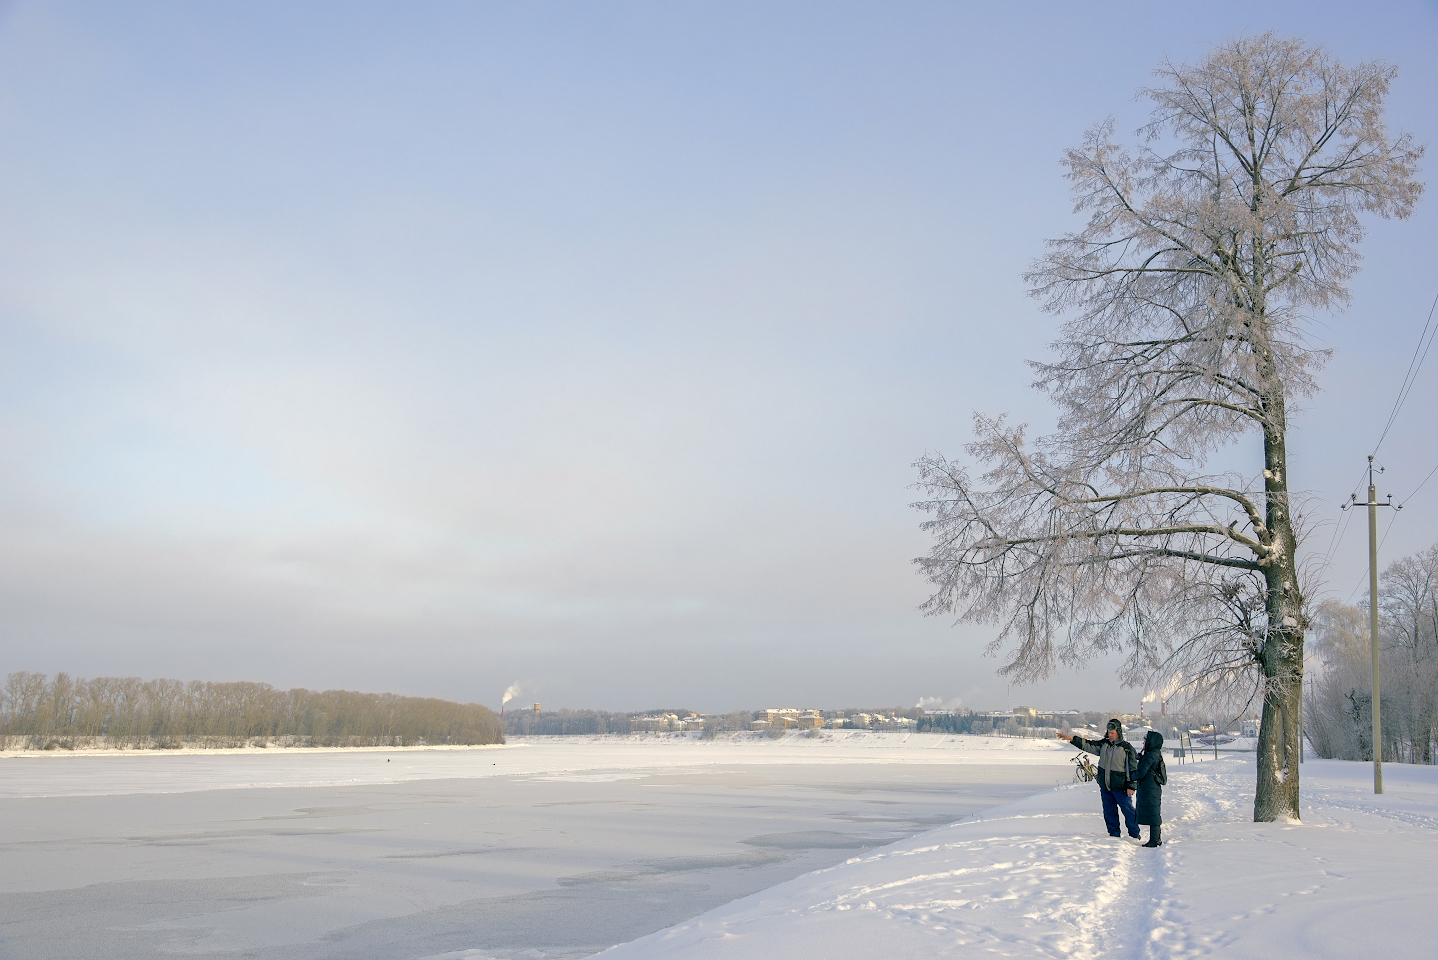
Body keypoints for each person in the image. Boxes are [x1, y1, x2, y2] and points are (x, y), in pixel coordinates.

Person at [1057, 719, 1139, 839]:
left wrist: (1131, 786)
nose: (1110, 735)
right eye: (1109, 732)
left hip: (1121, 788)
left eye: (1113, 733)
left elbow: (1133, 769)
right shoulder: (1103, 745)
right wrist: (1072, 739)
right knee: (1109, 813)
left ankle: (1134, 835)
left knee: (1129, 813)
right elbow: (1088, 745)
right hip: (1105, 787)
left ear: (1119, 732)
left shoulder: (1126, 748)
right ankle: (1114, 836)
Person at [1134, 730, 1167, 847]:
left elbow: (1141, 772)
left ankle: (1154, 840)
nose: (1144, 742)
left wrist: (1130, 775)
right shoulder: (1154, 753)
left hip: (1149, 789)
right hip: (1152, 788)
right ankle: (1155, 839)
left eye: (1146, 740)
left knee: (1153, 815)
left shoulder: (1151, 755)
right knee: (1154, 813)